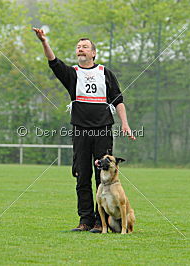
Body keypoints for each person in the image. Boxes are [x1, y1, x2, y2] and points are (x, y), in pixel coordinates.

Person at [33, 27, 135, 233]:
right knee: (82, 176)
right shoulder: (72, 74)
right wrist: (44, 41)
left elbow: (119, 100)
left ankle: (101, 222)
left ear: (93, 53)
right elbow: (54, 62)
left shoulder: (105, 73)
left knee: (103, 177)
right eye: (78, 47)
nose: (81, 49)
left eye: (85, 47)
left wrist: (125, 123)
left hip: (103, 130)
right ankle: (85, 220)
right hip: (80, 131)